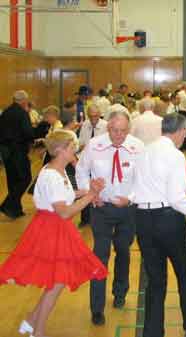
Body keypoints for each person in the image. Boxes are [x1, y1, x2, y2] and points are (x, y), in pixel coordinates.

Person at [0, 130, 107, 337]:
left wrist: (86, 192)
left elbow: (65, 195)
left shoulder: (59, 170)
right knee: (56, 282)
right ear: (61, 150)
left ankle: (31, 321)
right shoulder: (51, 174)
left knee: (56, 282)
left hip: (57, 228)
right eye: (71, 147)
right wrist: (91, 195)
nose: (74, 150)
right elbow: (65, 211)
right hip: (51, 229)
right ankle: (37, 331)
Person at [132, 113, 186, 337]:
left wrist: (185, 185)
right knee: (183, 273)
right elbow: (175, 198)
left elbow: (148, 185)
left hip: (143, 220)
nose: (185, 135)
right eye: (185, 131)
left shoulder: (144, 150)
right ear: (181, 131)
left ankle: (152, 332)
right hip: (169, 220)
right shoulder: (175, 155)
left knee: (155, 281)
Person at [76, 110, 144, 326]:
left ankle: (120, 292)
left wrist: (131, 198)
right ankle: (96, 308)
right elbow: (80, 171)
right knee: (100, 255)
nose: (118, 135)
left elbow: (144, 179)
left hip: (128, 210)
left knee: (123, 252)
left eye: (123, 131)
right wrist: (90, 193)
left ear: (129, 129)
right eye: (114, 130)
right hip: (101, 209)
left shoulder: (138, 147)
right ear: (108, 128)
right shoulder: (94, 145)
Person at [0, 90, 35, 219]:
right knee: (25, 179)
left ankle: (16, 209)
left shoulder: (5, 112)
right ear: (24, 101)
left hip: (5, 151)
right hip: (18, 150)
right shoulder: (22, 113)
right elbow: (28, 133)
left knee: (12, 181)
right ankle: (7, 205)